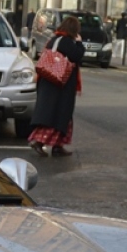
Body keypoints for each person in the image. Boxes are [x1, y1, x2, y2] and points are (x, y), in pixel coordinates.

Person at [28, 16, 86, 157]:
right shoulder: (66, 42)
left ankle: (57, 146)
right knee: (56, 116)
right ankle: (40, 142)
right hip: (59, 85)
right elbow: (77, 55)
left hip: (49, 81)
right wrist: (79, 43)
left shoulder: (54, 39)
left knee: (57, 115)